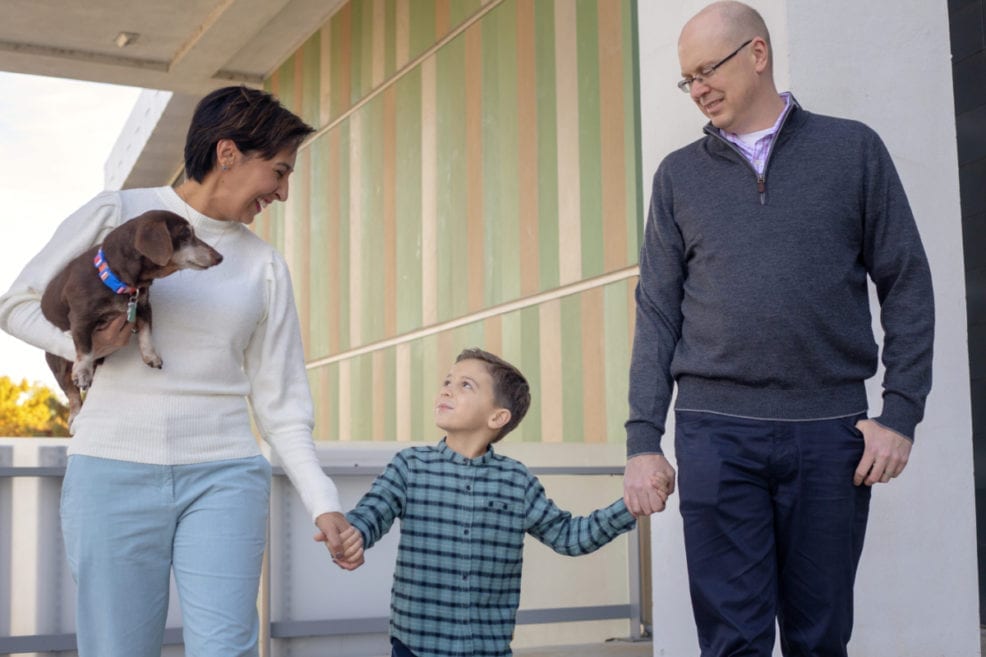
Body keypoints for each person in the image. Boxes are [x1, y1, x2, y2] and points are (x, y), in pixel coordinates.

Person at [0, 85, 359, 657]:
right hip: (111, 470)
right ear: (228, 153)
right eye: (280, 171)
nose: (284, 193)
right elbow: (15, 304)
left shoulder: (263, 264)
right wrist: (86, 347)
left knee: (227, 650)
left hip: (224, 476)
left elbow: (282, 403)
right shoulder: (116, 212)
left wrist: (324, 501)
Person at [621, 2, 934, 656]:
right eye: (688, 78)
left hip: (830, 434)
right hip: (715, 431)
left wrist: (900, 412)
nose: (697, 88)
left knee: (819, 639)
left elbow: (905, 279)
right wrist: (643, 437)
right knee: (732, 640)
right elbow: (655, 309)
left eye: (707, 69)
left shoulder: (853, 151)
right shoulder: (678, 176)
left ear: (758, 53)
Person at [324, 348, 642, 657]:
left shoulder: (517, 481)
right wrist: (354, 536)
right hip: (416, 647)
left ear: (497, 416)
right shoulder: (410, 466)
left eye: (465, 385)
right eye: (447, 381)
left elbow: (569, 536)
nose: (447, 390)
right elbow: (371, 514)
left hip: (488, 648)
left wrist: (630, 505)